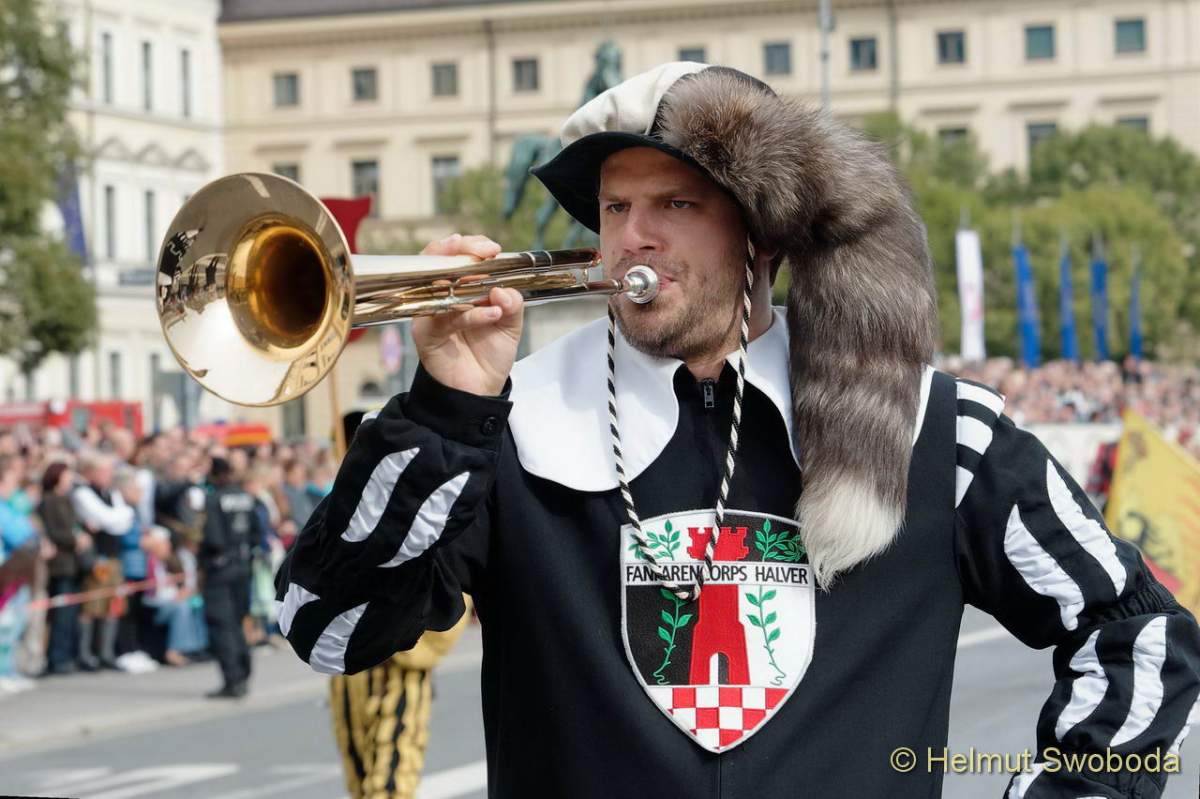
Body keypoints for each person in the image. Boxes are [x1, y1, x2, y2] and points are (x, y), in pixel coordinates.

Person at [276, 63, 1200, 797]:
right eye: (615, 207)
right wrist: (446, 408)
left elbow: (1142, 638)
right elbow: (325, 626)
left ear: (764, 233)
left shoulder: (935, 429)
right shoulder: (509, 424)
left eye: (676, 205)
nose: (632, 238)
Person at [200, 456, 263, 698]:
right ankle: (244, 674)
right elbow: (257, 533)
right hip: (243, 567)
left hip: (220, 570)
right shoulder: (245, 497)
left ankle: (232, 680)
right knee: (238, 623)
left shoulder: (214, 499)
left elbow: (213, 538)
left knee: (221, 625)